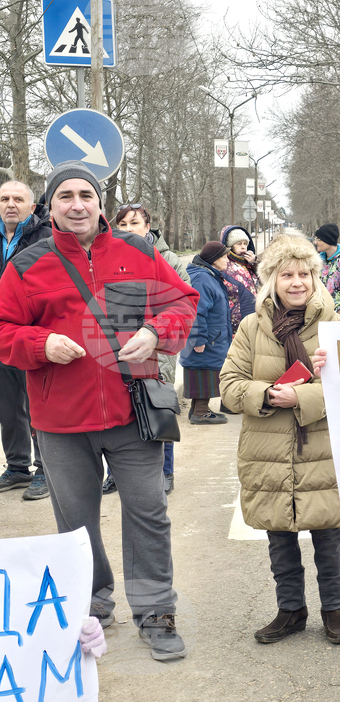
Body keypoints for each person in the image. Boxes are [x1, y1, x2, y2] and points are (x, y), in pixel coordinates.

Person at [0, 160, 198, 660]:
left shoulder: (138, 249)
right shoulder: (25, 265)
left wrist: (156, 332)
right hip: (60, 421)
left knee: (148, 513)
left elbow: (183, 302)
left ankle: (155, 611)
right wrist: (42, 344)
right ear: (52, 206)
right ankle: (91, 602)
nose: (77, 204)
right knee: (76, 523)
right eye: (65, 196)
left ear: (100, 201)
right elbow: (4, 331)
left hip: (134, 414)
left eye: (85, 194)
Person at [219, 235, 340, 646]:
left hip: (324, 449)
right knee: (280, 536)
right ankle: (290, 609)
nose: (297, 282)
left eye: (305, 273)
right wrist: (266, 394)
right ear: (271, 279)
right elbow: (229, 385)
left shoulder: (337, 328)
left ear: (316, 277)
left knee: (329, 536)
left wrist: (306, 394)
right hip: (268, 449)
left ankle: (334, 609)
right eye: (286, 274)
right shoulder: (251, 327)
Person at [105, 203, 190, 495]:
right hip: (116, 348)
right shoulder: (108, 256)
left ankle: (165, 471)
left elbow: (183, 301)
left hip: (156, 347)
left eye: (134, 223)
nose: (129, 229)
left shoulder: (165, 258)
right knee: (117, 410)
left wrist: (153, 330)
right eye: (123, 224)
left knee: (156, 406)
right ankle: (115, 473)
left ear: (147, 226)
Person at [0, 180, 51, 501]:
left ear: (31, 207)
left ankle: (45, 468)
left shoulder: (45, 237)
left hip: (32, 333)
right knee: (8, 407)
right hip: (2, 336)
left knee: (37, 404)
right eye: (4, 198)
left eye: (18, 199)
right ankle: (18, 467)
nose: (10, 204)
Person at [179, 241, 233, 424]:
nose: (228, 260)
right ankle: (200, 413)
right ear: (214, 259)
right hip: (207, 338)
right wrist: (199, 338)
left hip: (211, 336)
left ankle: (198, 409)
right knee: (205, 369)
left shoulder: (209, 275)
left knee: (204, 369)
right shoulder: (202, 279)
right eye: (225, 256)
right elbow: (197, 312)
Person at [220, 225, 259, 331]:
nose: (243, 247)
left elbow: (264, 280)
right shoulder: (224, 264)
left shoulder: (249, 263)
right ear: (230, 246)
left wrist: (255, 263)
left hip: (254, 317)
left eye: (245, 244)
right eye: (239, 244)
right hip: (235, 321)